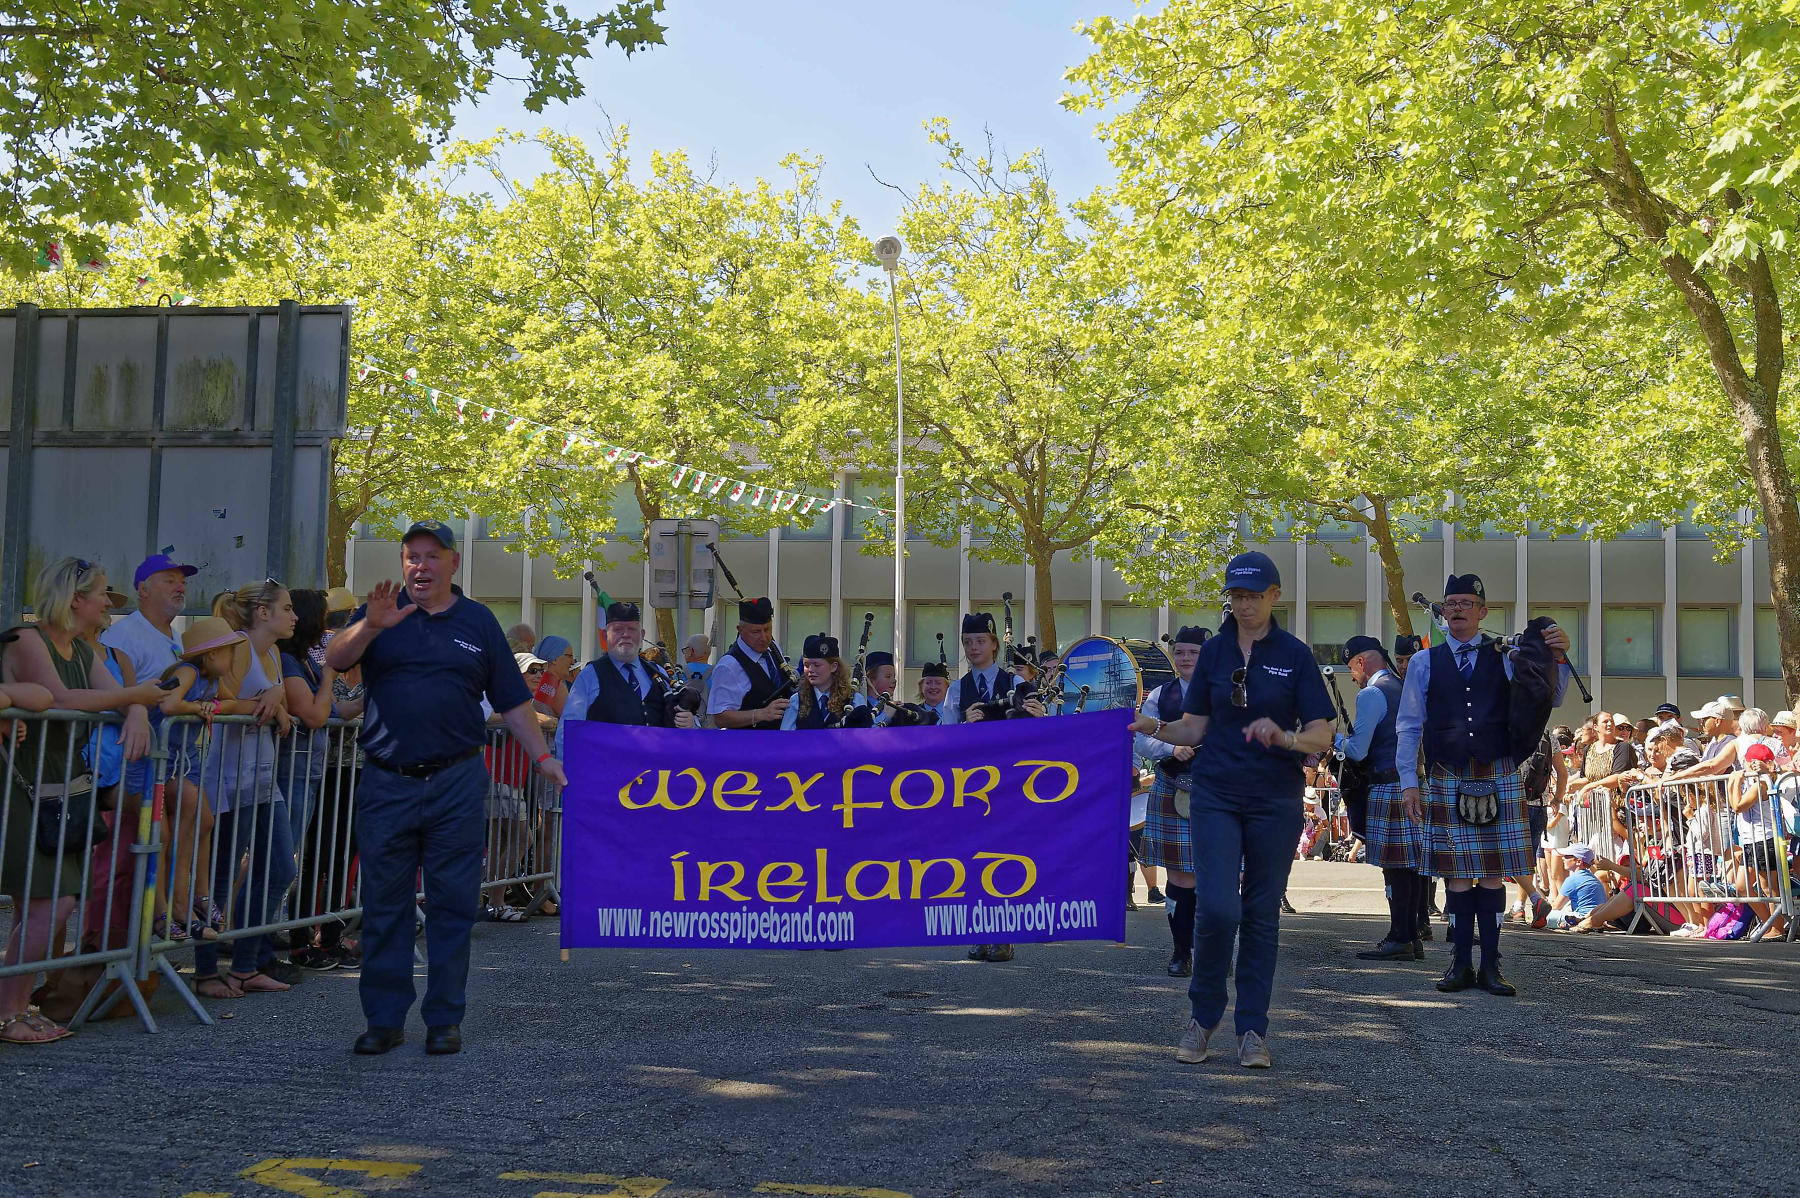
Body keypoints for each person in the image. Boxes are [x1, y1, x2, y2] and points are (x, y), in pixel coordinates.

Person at [325, 520, 565, 1056]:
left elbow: (512, 702)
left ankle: (444, 1018)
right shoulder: (380, 614)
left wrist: (543, 758)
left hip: (457, 779)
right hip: (387, 780)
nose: (421, 566)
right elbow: (336, 660)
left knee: (452, 904)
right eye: (412, 556)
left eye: (432, 556)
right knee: (384, 903)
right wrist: (369, 628)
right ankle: (383, 1020)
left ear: (454, 563)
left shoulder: (478, 622)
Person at [1130, 551, 1335, 1069]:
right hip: (1215, 793)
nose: (1244, 605)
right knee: (1218, 909)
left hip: (1274, 798)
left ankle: (1252, 1031)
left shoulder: (1296, 654)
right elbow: (1194, 727)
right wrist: (1150, 727)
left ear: (1274, 595)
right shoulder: (1216, 653)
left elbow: (1323, 733)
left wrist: (1285, 737)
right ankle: (1202, 1018)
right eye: (1237, 596)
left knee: (1261, 914)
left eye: (1254, 595)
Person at [1, 559, 161, 1043]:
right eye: (102, 595)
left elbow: (114, 694)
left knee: (44, 905)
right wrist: (137, 700)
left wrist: (134, 708)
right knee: (52, 904)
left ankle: (15, 1007)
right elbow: (61, 698)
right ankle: (9, 1011)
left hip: (59, 786)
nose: (108, 605)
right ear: (76, 599)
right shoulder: (30, 639)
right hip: (23, 782)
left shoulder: (83, 649)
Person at [1396, 574, 1571, 997]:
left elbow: (1552, 696)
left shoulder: (1507, 657)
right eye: (1450, 602)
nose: (1457, 608)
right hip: (1447, 775)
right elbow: (1409, 726)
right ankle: (1459, 966)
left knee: (1493, 876)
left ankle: (1492, 967)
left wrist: (1560, 658)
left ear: (1482, 611)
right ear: (1443, 611)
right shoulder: (1423, 661)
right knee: (1456, 876)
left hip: (1498, 770)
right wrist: (1408, 782)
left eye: (1466, 602)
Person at [1333, 635, 1422, 962]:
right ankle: (1411, 936)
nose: (1353, 678)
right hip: (1412, 782)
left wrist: (1332, 738)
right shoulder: (1402, 686)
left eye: (1351, 670)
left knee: (1395, 867)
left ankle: (1399, 937)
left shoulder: (1372, 693)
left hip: (1387, 784)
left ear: (1359, 662)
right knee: (1410, 867)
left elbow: (1358, 749)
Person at [1133, 625, 1205, 977]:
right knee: (1179, 876)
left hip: (1217, 792)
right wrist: (1171, 747)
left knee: (1220, 876)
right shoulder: (1161, 694)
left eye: (1193, 652)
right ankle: (1181, 952)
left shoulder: (1226, 694)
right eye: (1180, 652)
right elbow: (1141, 742)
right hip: (1171, 783)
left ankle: (1215, 953)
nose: (1186, 658)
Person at [559, 601, 698, 746]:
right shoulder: (591, 675)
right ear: (606, 634)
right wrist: (566, 766)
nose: (625, 635)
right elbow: (568, 730)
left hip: (654, 766)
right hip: (607, 766)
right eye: (618, 629)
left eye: (632, 629)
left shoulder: (658, 673)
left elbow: (676, 724)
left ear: (642, 634)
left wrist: (688, 723)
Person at [707, 598, 791, 731]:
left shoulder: (773, 648)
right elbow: (720, 717)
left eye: (767, 629)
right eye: (756, 632)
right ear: (740, 630)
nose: (764, 637)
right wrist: (760, 714)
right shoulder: (729, 666)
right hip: (748, 746)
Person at [781, 635, 868, 729]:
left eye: (817, 665)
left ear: (833, 667)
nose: (810, 670)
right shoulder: (796, 700)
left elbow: (864, 736)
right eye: (806, 665)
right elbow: (785, 738)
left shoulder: (854, 699)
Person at [952, 613, 1019, 724]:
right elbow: (947, 735)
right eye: (967, 642)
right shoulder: (956, 689)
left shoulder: (1015, 683)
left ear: (994, 644)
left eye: (980, 641)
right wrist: (965, 725)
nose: (973, 647)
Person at [861, 650, 898, 724]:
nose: (894, 680)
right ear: (871, 680)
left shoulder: (895, 708)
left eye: (894, 676)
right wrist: (886, 716)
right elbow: (864, 732)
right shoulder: (860, 706)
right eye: (888, 677)